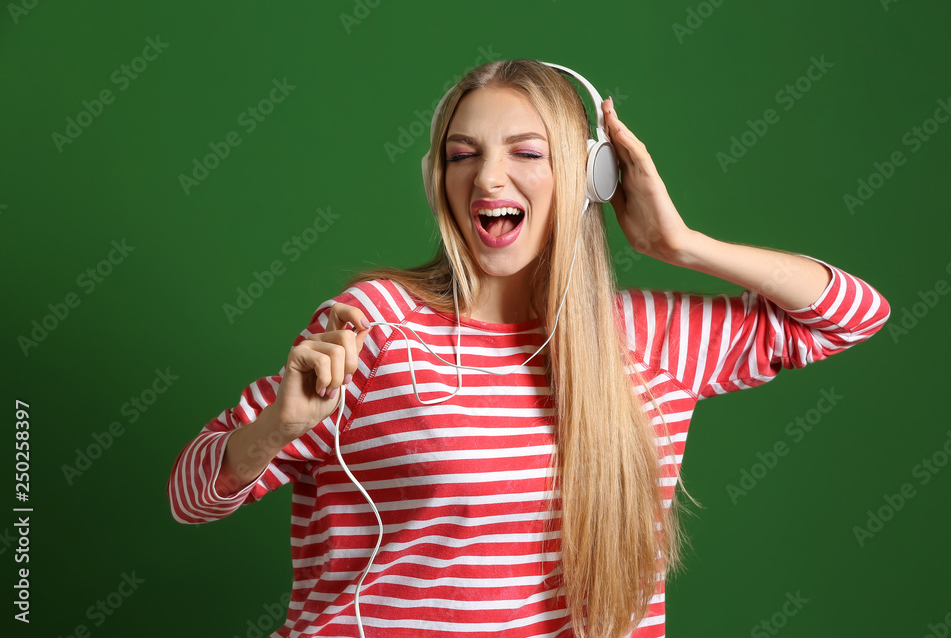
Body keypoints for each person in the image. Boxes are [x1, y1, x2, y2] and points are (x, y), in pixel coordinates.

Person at [167, 59, 891, 638]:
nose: (487, 177)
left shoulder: (649, 339)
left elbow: (851, 314)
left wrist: (683, 244)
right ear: (437, 179)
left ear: (589, 179)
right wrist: (278, 429)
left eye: (526, 152)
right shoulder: (375, 323)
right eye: (463, 155)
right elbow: (190, 496)